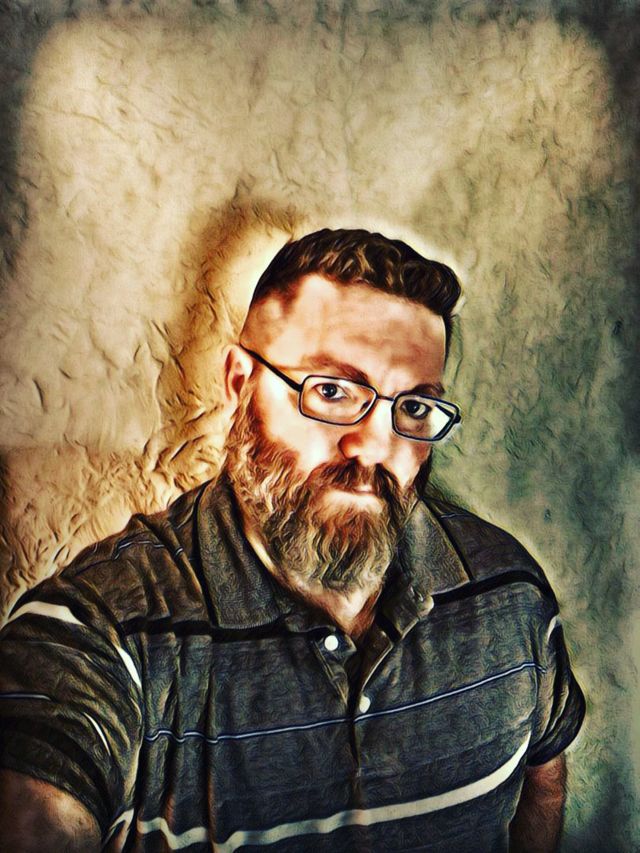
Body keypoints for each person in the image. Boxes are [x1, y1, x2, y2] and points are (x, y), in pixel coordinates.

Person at [0, 229, 584, 852]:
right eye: (331, 391)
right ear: (239, 383)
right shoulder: (106, 630)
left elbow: (543, 781)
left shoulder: (510, 592)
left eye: (414, 407)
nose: (374, 447)